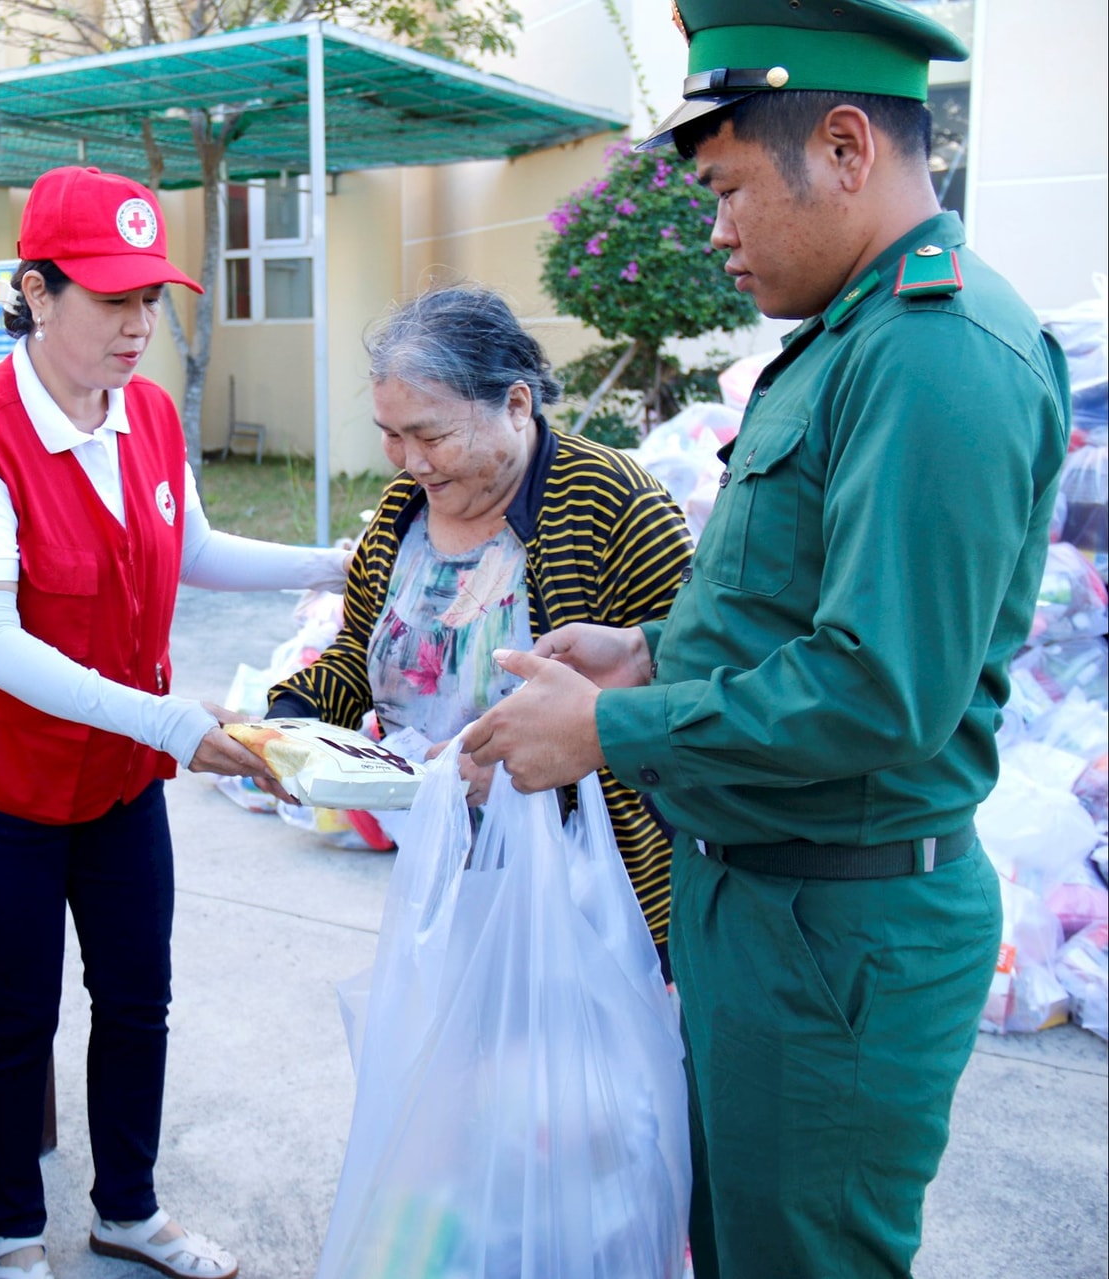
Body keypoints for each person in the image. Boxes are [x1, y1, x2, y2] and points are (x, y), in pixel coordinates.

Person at [463, 4, 1070, 1276]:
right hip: (770, 904)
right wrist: (647, 653)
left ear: (847, 148)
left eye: (732, 192)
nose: (718, 232)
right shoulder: (854, 339)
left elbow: (880, 687)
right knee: (735, 1245)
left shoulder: (938, 353)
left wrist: (609, 730)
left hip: (839, 934)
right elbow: (793, 607)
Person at [0, 165, 350, 1279]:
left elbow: (189, 546)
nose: (139, 325)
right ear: (36, 293)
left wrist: (336, 562)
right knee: (17, 1012)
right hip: (4, 784)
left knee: (138, 995)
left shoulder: (147, 414)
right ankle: (14, 1235)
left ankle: (130, 1208)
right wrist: (164, 719)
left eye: (150, 298)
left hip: (114, 777)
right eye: (111, 300)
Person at [267, 285, 692, 969]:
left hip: (597, 897)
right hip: (448, 873)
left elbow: (693, 680)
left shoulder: (612, 502)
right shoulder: (403, 508)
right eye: (391, 434)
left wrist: (542, 775)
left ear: (517, 404)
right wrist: (289, 721)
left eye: (431, 435)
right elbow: (361, 649)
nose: (411, 460)